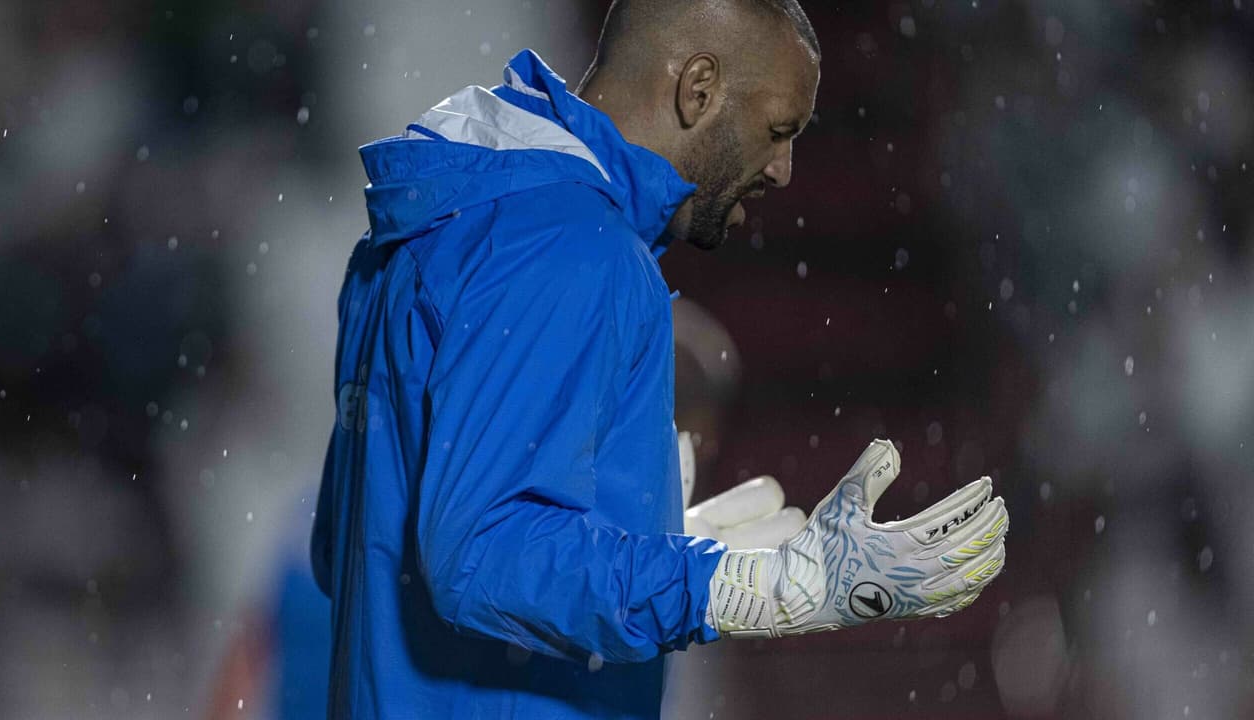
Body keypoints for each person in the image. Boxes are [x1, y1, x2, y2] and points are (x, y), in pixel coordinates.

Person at [310, 1, 1009, 718]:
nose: (785, 170)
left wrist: (630, 545)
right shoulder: (573, 247)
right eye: (777, 130)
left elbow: (350, 551)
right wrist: (724, 586)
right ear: (698, 88)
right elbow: (479, 556)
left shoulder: (437, 229)